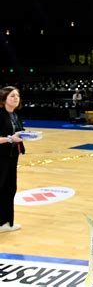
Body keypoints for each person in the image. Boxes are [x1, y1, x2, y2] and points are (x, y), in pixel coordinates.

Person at [0, 86, 25, 232]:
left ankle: (7, 223)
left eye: (17, 95)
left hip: (11, 158)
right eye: (12, 96)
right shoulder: (0, 115)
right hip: (0, 158)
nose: (16, 98)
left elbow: (18, 133)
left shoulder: (15, 115)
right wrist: (10, 139)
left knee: (10, 189)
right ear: (4, 99)